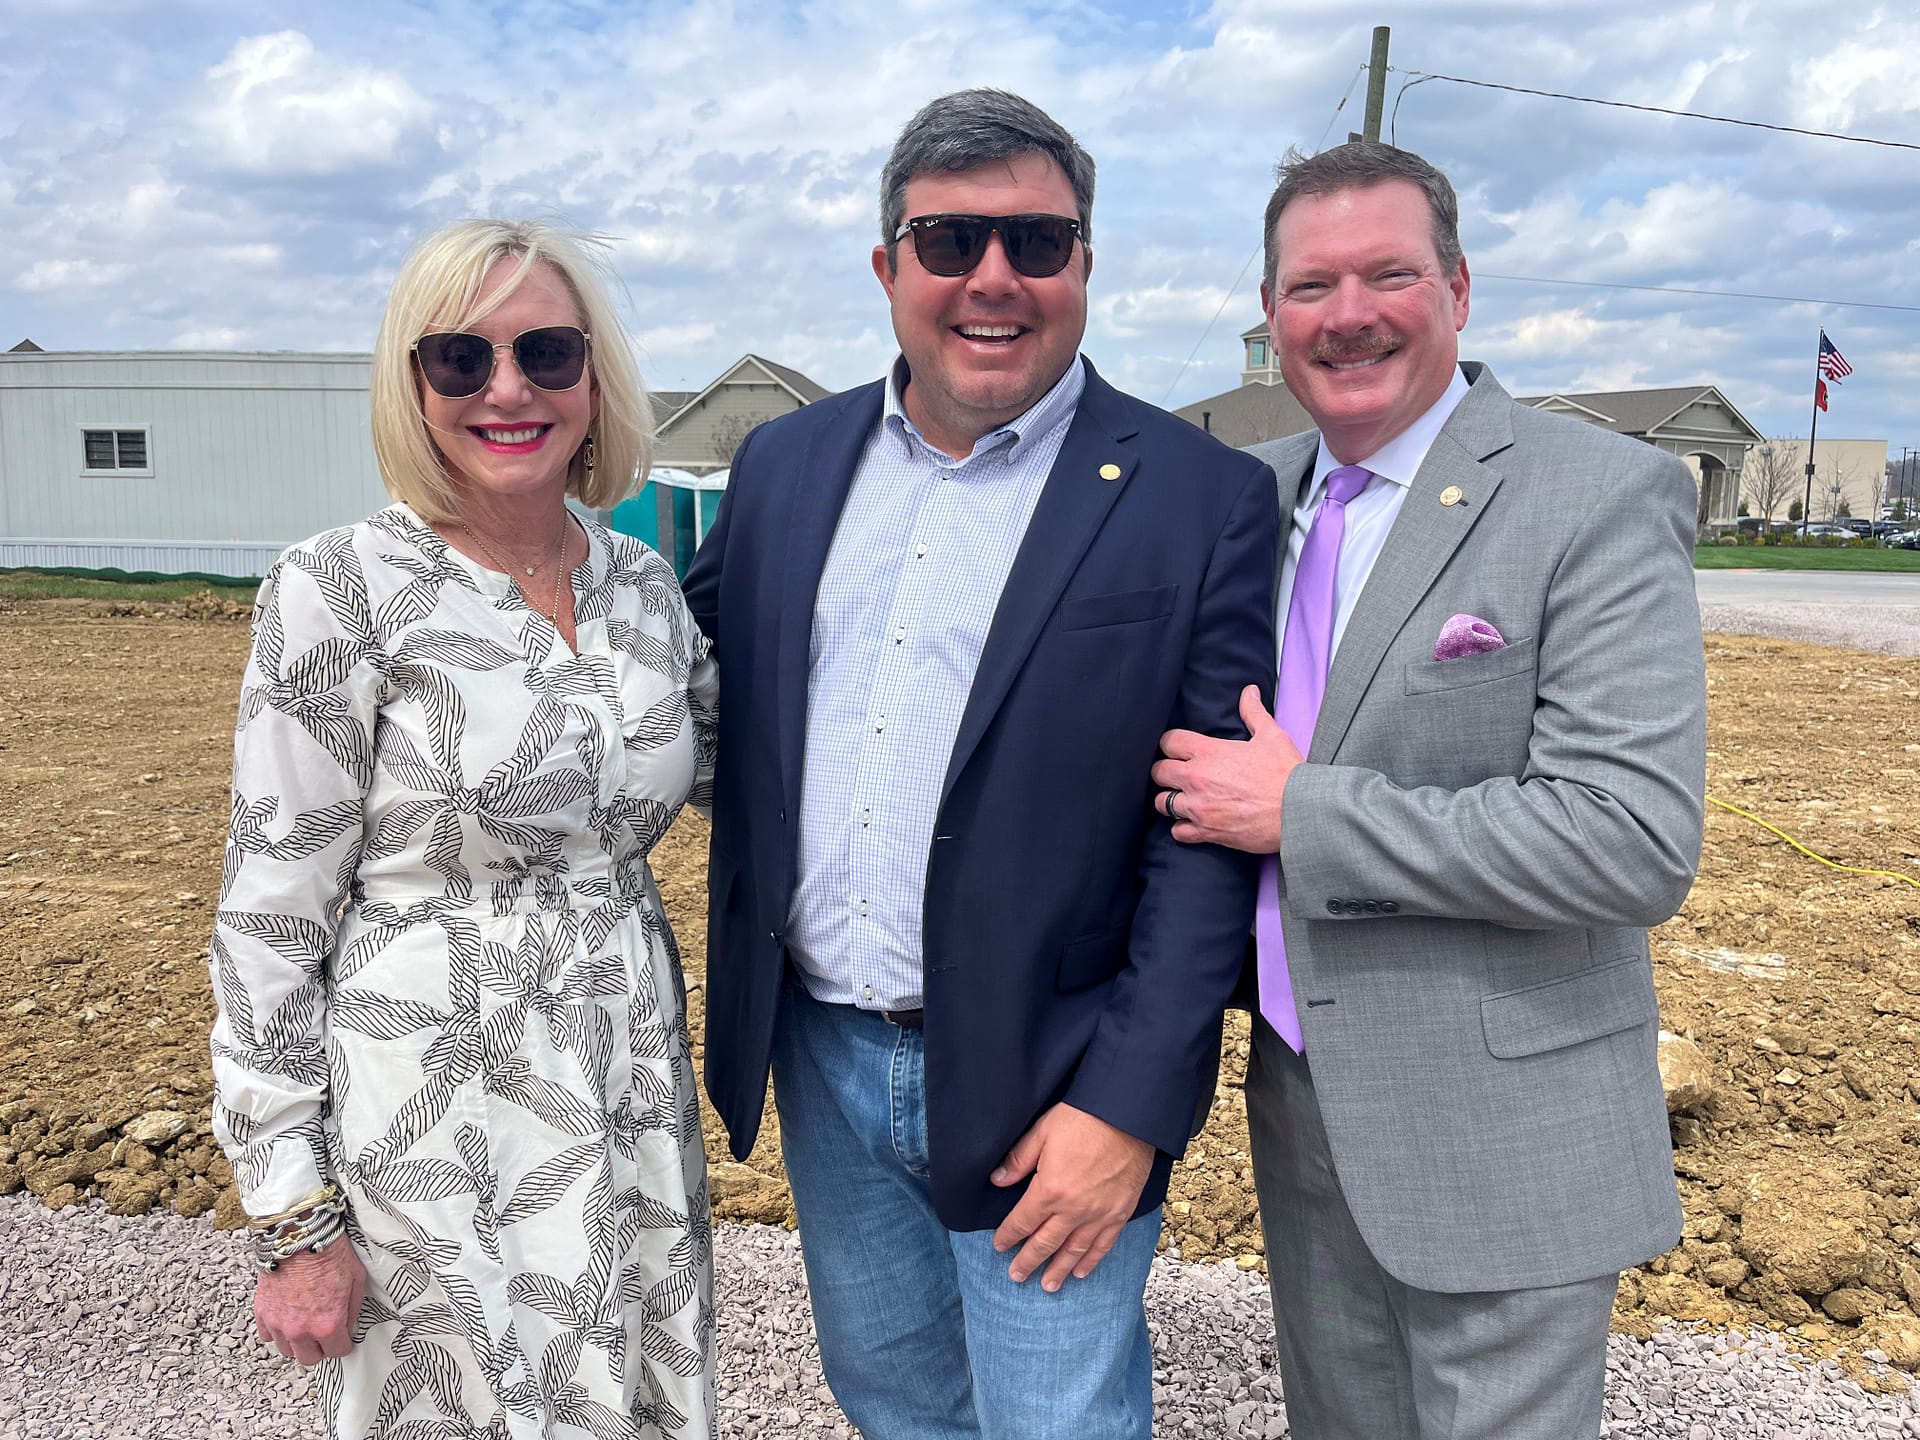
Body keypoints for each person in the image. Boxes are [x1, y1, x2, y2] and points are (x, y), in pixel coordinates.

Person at [682, 89, 1277, 1439]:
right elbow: (673, 676)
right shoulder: (783, 464)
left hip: (1048, 1080)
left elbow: (1203, 836)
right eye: (949, 242)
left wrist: (1128, 1107)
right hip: (824, 1058)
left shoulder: (1200, 498)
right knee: (894, 1403)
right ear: (889, 267)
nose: (993, 279)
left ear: (1085, 263)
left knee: (1057, 1422)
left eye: (1036, 241)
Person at [1151, 140, 1708, 1439]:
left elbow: (1630, 837)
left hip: (1503, 1128)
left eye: (1387, 273)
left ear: (1457, 287)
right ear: (1274, 317)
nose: (1347, 314)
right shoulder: (1258, 499)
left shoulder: (1593, 493)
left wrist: (1302, 813)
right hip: (1303, 1111)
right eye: (1309, 285)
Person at [208, 218, 718, 1440]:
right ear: (411, 382)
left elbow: (745, 769)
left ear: (595, 382)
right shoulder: (338, 588)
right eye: (461, 360)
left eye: (548, 353)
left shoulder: (642, 584)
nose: (509, 390)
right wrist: (292, 1217)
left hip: (627, 1084)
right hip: (434, 1108)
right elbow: (270, 914)